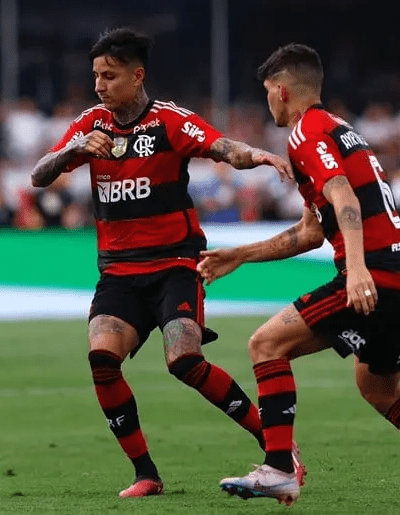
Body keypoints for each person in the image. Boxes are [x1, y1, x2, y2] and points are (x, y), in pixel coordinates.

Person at [31, 27, 301, 499]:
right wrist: (72, 150)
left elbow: (222, 148)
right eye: (95, 75)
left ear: (137, 77)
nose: (99, 85)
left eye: (109, 76)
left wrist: (257, 155)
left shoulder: (167, 121)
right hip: (118, 270)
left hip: (176, 264)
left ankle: (277, 447)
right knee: (101, 359)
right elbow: (39, 174)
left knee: (184, 360)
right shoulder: (91, 124)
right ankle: (146, 474)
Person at [202, 43, 400, 506]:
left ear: (282, 89)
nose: (267, 101)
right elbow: (312, 232)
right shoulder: (340, 130)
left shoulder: (305, 133)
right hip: (393, 272)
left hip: (376, 275)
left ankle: (277, 469)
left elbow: (346, 200)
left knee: (266, 345)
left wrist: (355, 271)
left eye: (268, 92)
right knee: (376, 387)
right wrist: (240, 254)